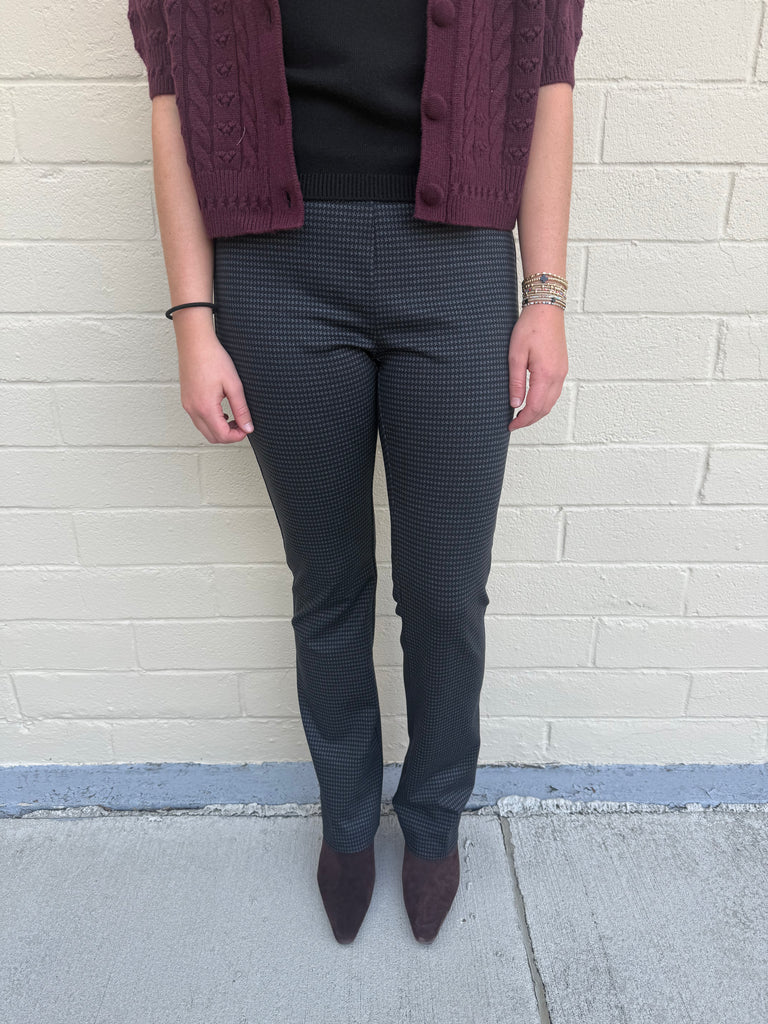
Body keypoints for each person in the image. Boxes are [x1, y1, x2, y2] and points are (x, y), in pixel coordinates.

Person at [127, 0, 584, 945]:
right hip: (274, 276)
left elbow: (547, 86)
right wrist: (192, 319)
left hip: (457, 272)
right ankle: (346, 822)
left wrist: (543, 296)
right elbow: (172, 105)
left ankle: (433, 820)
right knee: (328, 583)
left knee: (446, 591)